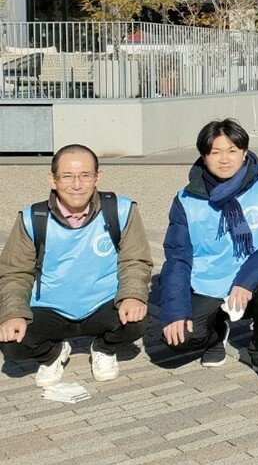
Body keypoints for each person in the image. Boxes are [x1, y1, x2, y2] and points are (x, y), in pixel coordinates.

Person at [0, 145, 152, 386]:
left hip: (102, 303)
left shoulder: (120, 209)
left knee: (137, 319)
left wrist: (132, 296)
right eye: (67, 176)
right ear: (52, 180)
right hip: (49, 307)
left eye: (85, 175)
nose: (77, 184)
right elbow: (15, 273)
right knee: (10, 340)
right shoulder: (32, 218)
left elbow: (135, 260)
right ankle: (52, 353)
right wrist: (14, 314)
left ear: (97, 177)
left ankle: (104, 348)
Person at [158, 120, 258, 382]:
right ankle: (215, 335)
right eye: (215, 152)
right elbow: (177, 258)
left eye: (232, 150)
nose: (224, 159)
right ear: (203, 156)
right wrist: (175, 311)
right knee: (178, 339)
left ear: (245, 152)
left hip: (252, 279)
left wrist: (246, 280)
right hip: (206, 282)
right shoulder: (186, 200)